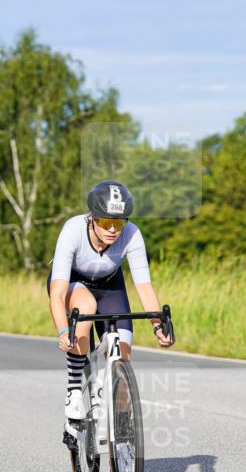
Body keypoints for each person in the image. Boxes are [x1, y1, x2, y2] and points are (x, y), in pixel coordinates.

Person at [47, 180, 174, 426]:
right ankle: (75, 388)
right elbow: (58, 293)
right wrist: (64, 330)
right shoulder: (73, 230)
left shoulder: (132, 234)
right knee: (85, 307)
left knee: (123, 355)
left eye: (119, 222)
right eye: (106, 222)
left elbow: (144, 286)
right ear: (91, 218)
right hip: (72, 283)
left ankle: (124, 435)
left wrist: (158, 326)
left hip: (109, 286)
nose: (113, 230)